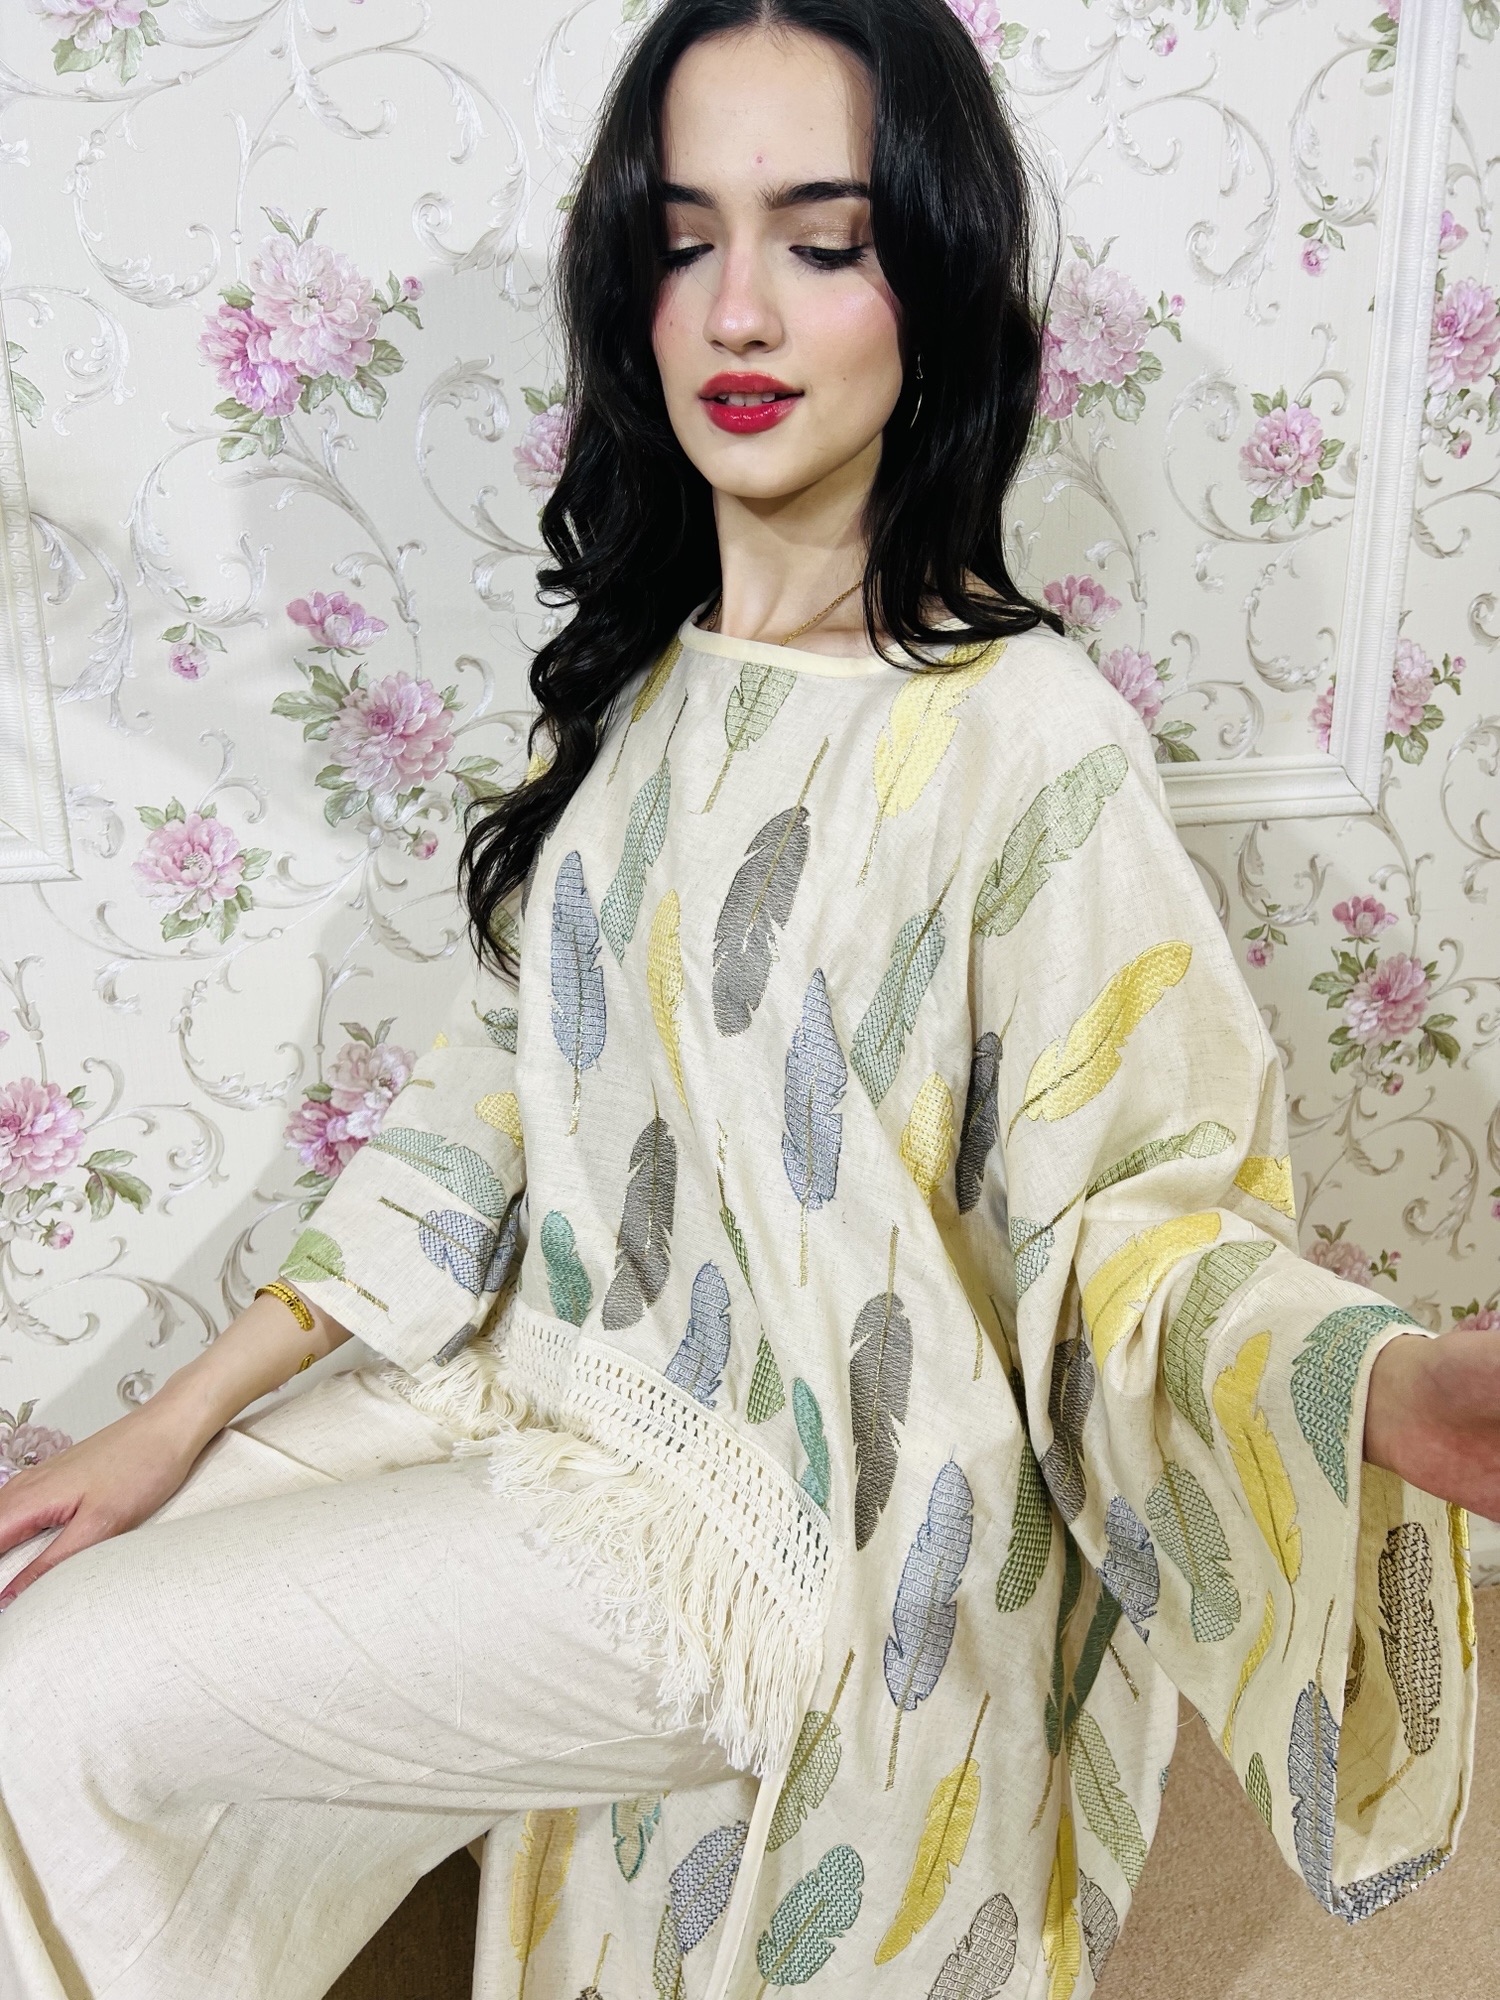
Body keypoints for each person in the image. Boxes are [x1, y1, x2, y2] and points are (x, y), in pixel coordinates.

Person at [1, 2, 1495, 1995]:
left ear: (930, 283)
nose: (737, 312)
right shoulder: (652, 685)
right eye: (683, 240)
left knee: (66, 1702)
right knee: (39, 1632)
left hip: (781, 1528)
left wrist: (1384, 1388)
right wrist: (177, 1421)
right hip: (556, 1393)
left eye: (821, 238)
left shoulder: (1023, 737)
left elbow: (1135, 1225)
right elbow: (504, 1087)